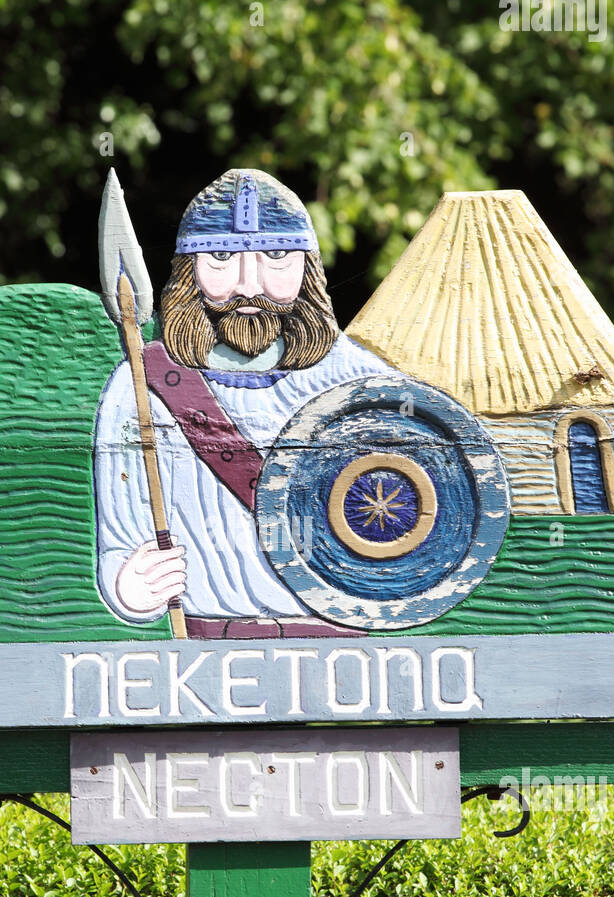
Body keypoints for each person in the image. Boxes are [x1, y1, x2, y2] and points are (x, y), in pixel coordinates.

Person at [92, 168, 394, 638]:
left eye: (275, 255)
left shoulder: (361, 379)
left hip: (341, 648)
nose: (249, 285)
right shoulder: (141, 387)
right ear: (189, 271)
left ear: (307, 268)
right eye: (220, 257)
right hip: (207, 649)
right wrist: (128, 588)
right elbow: (120, 539)